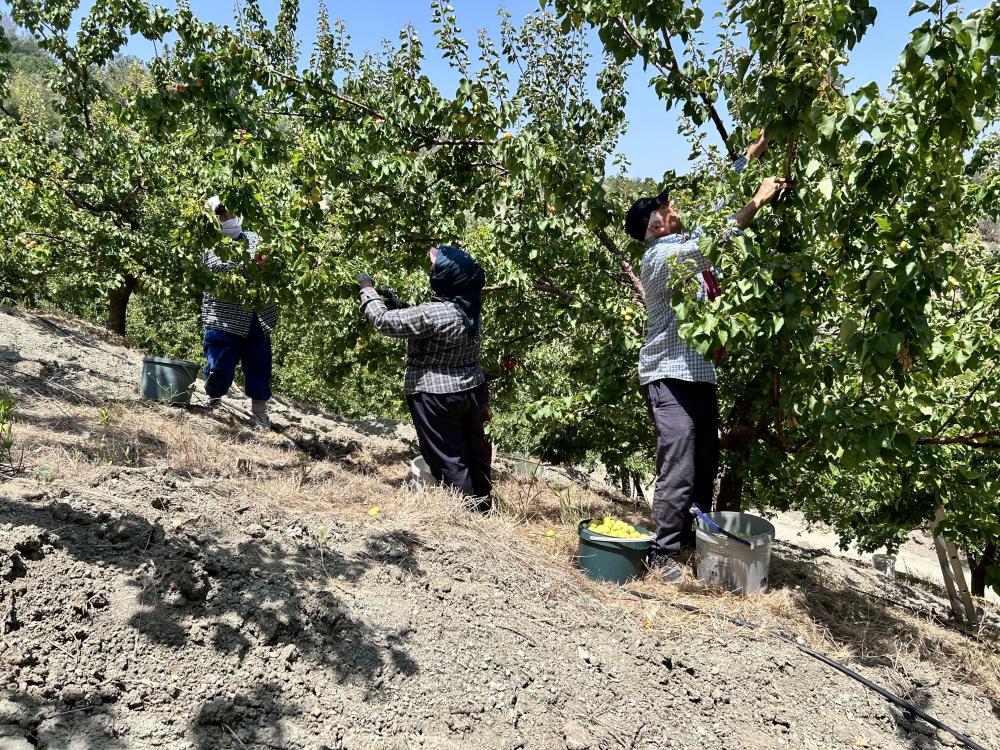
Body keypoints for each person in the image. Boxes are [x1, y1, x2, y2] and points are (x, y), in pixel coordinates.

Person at [624, 134, 789, 581]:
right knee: (678, 458)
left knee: (705, 462)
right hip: (668, 373)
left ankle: (692, 545)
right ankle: (662, 557)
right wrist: (757, 200)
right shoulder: (661, 257)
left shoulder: (677, 242)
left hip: (698, 373)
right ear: (654, 226)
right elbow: (715, 240)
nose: (673, 208)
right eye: (665, 209)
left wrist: (751, 154)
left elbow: (712, 201)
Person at [357, 246, 492, 511]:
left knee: (449, 458)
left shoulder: (433, 313)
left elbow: (384, 322)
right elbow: (434, 328)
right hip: (472, 390)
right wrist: (401, 307)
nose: (432, 272)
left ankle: (468, 516)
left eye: (436, 269)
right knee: (474, 452)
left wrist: (367, 290)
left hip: (437, 397)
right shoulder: (470, 305)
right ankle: (485, 506)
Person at [201, 196, 279, 430]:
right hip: (223, 317)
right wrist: (250, 263)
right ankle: (213, 400)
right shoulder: (210, 241)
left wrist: (268, 263)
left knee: (259, 367)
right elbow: (215, 266)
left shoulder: (255, 238)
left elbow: (273, 263)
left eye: (230, 211)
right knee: (218, 366)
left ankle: (259, 413)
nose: (227, 217)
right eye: (221, 213)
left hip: (258, 317)